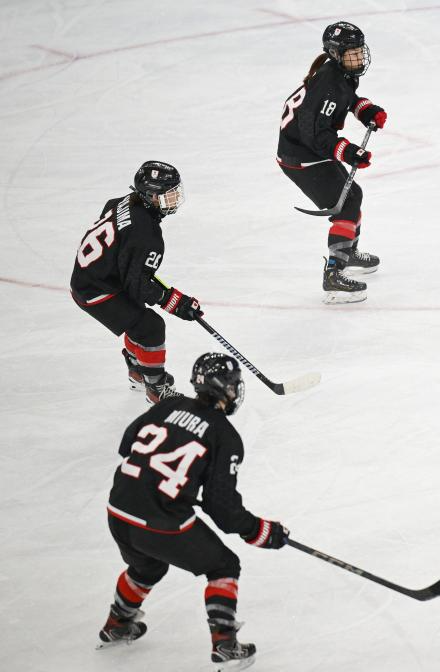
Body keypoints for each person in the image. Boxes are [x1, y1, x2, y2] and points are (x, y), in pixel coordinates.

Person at [97, 352, 289, 670]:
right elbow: (222, 509)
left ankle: (117, 623)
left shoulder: (169, 405)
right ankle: (225, 645)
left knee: (147, 568)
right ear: (225, 389)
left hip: (118, 511)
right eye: (234, 384)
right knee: (223, 565)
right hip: (158, 522)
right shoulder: (225, 436)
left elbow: (126, 445)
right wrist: (259, 530)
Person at [70, 161, 203, 403]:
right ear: (150, 196)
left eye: (175, 191)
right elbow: (139, 285)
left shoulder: (124, 202)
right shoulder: (146, 234)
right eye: (168, 194)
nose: (175, 198)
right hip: (95, 289)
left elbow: (132, 270)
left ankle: (138, 371)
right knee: (150, 327)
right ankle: (155, 388)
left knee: (135, 315)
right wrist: (176, 303)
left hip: (96, 276)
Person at [278, 20, 387, 304]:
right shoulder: (328, 83)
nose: (359, 57)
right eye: (353, 52)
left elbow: (347, 99)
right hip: (300, 156)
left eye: (360, 51)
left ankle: (347, 252)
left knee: (353, 196)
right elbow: (315, 135)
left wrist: (365, 110)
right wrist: (348, 152)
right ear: (336, 53)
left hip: (307, 150)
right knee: (348, 201)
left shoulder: (340, 74)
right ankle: (334, 273)